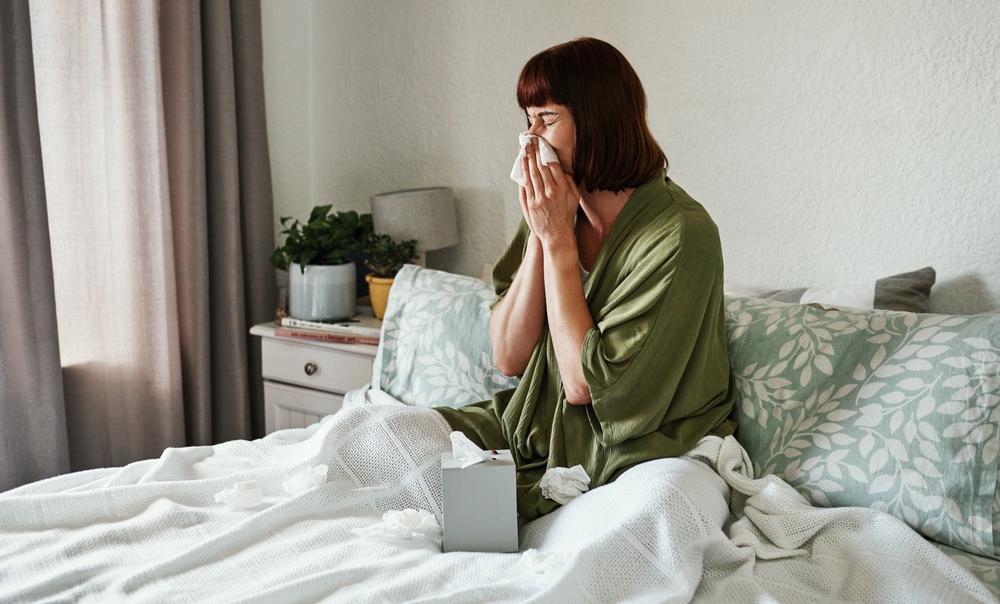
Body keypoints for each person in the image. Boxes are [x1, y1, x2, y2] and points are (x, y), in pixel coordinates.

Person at [435, 37, 736, 520]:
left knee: (644, 523)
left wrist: (558, 241)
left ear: (598, 120)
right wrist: (543, 229)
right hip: (533, 428)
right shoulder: (556, 210)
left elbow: (584, 386)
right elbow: (509, 356)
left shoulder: (682, 235)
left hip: (641, 450)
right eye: (527, 119)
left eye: (546, 119)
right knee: (375, 434)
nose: (529, 139)